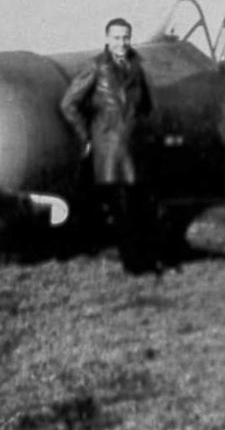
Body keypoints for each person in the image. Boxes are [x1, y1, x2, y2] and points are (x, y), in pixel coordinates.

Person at [60, 18, 161, 274]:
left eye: (126, 37)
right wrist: (88, 136)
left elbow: (146, 105)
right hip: (109, 152)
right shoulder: (96, 67)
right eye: (116, 38)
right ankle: (135, 265)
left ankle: (144, 260)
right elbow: (69, 104)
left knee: (139, 209)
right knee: (123, 210)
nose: (122, 42)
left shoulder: (136, 66)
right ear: (107, 39)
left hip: (133, 148)